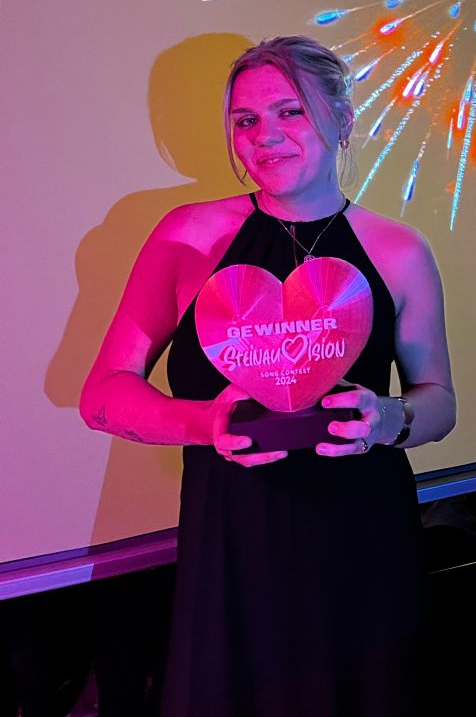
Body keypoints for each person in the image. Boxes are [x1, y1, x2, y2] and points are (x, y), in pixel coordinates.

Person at [80, 35, 456, 717]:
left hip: (365, 546)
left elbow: (439, 402)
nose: (266, 135)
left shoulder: (399, 249)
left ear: (343, 120)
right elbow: (103, 393)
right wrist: (205, 422)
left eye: (291, 111)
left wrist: (387, 418)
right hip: (233, 547)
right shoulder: (188, 236)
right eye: (246, 119)